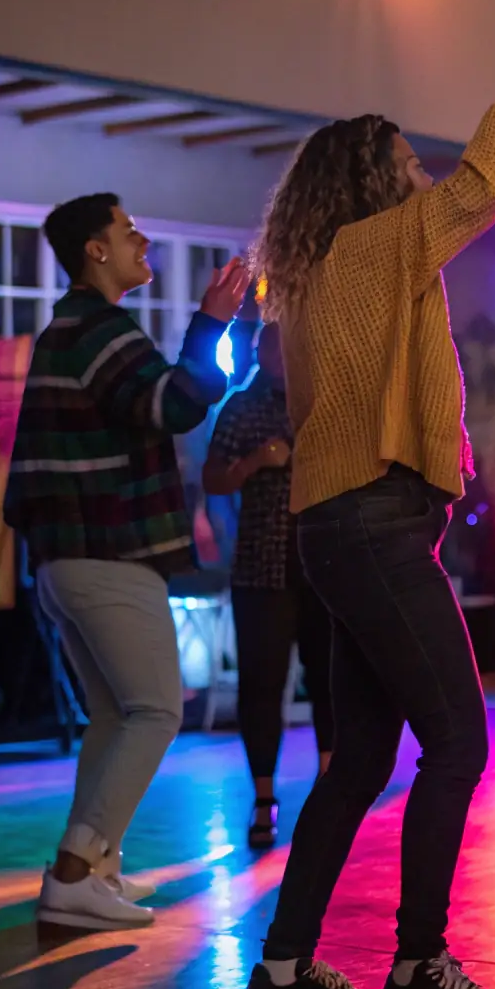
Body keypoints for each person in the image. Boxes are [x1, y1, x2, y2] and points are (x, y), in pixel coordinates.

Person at [239, 0, 495, 989]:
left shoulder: (319, 276)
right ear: (373, 179)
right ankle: (419, 966)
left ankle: (284, 967)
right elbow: (481, 185)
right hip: (371, 526)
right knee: (459, 745)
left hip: (340, 528)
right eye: (405, 166)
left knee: (365, 756)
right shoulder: (377, 247)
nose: (423, 180)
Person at [4, 194, 247, 930]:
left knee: (114, 713)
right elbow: (173, 403)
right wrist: (210, 326)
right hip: (107, 552)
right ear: (95, 251)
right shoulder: (100, 330)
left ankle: (92, 870)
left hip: (66, 561)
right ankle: (77, 865)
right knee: (157, 708)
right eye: (126, 228)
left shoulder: (74, 328)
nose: (141, 237)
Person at [202, 323, 334, 849]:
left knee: (327, 679)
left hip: (320, 563)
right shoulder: (241, 406)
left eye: (291, 346)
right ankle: (263, 798)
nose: (283, 357)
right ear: (258, 351)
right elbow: (212, 479)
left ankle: (330, 789)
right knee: (262, 685)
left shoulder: (320, 399)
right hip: (261, 567)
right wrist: (258, 460)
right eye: (273, 347)